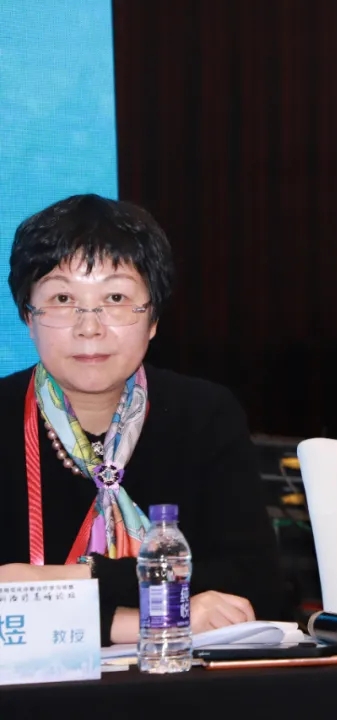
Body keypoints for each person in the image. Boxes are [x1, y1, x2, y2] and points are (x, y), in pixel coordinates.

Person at [0, 194, 283, 643]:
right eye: (62, 298)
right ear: (27, 317)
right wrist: (142, 621)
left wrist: (67, 578)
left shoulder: (204, 414)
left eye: (115, 298)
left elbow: (256, 584)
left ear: (153, 318)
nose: (89, 327)